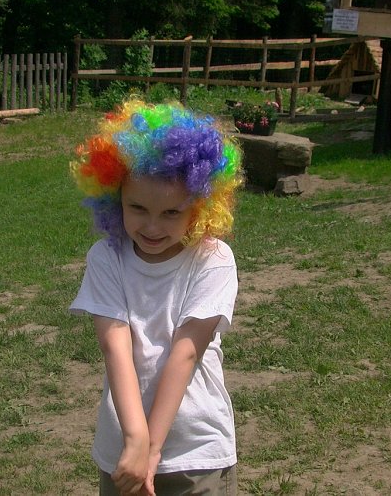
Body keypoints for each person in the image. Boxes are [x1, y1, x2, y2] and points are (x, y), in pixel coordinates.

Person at [69, 100, 242, 496]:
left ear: (200, 207)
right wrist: (135, 440)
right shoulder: (106, 258)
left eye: (171, 213)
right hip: (124, 452)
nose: (152, 226)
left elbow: (186, 353)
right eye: (138, 208)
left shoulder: (212, 259)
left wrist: (152, 448)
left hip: (195, 450)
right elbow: (116, 348)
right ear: (114, 197)